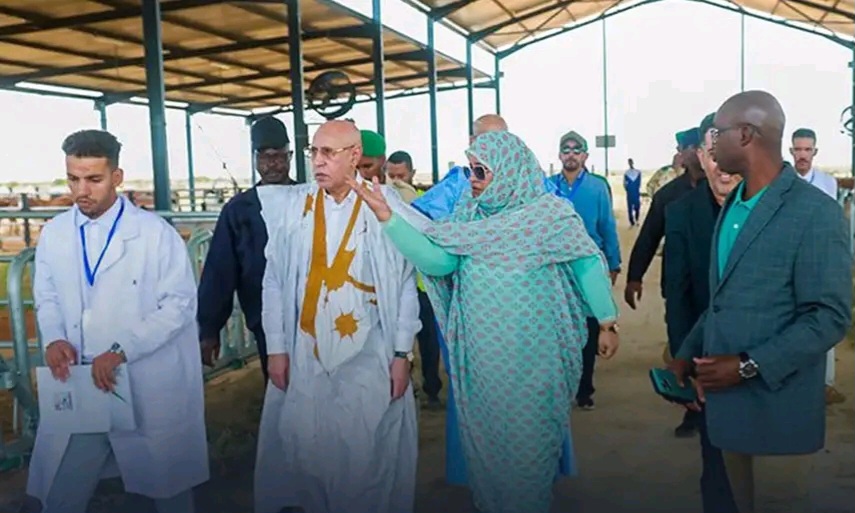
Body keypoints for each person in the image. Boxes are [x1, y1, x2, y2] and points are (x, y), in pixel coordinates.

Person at [351, 130, 620, 513]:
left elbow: (587, 262)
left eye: (481, 171)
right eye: (469, 170)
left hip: (536, 363)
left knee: (529, 456)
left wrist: (607, 322)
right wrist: (389, 219)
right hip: (483, 366)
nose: (472, 180)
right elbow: (440, 262)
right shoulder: (468, 216)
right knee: (490, 454)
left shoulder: (549, 217)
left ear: (509, 172)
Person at [670, 91, 851, 513]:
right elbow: (724, 298)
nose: (710, 144)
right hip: (728, 413)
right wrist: (686, 353)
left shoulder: (816, 213)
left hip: (779, 415)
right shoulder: (733, 206)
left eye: (717, 133)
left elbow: (828, 317)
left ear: (746, 135)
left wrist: (746, 365)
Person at [27, 129, 208, 513]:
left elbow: (177, 305)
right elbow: (47, 295)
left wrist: (121, 349)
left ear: (117, 177)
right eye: (73, 179)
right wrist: (54, 338)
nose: (82, 191)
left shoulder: (155, 234)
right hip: (81, 378)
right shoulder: (55, 234)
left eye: (94, 179)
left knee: (167, 486)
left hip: (144, 377)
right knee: (62, 487)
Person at [253, 120, 420, 513]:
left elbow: (404, 283)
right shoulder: (294, 206)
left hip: (369, 354)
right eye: (313, 152)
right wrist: (276, 348)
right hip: (306, 353)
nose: (317, 161)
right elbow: (273, 279)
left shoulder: (384, 206)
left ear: (355, 155)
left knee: (365, 457)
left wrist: (402, 354)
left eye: (328, 152)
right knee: (307, 453)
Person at [664, 113, 740, 513]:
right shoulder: (680, 212)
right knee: (718, 465)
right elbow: (677, 295)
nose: (722, 166)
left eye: (729, 153)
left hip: (764, 359)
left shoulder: (772, 210)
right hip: (707, 361)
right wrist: (685, 363)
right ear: (699, 156)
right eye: (713, 153)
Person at [197, 115, 294, 385]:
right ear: (255, 159)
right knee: (278, 385)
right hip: (263, 317)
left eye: (279, 156)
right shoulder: (239, 209)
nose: (272, 163)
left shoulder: (308, 198)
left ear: (290, 156)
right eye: (265, 156)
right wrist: (209, 328)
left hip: (312, 315)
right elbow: (220, 270)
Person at [548, 130, 621, 410]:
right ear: (559, 155)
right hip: (558, 270)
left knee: (590, 329)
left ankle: (585, 389)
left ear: (585, 155)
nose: (571, 155)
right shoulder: (548, 187)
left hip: (589, 268)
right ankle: (561, 387)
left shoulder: (597, 187)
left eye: (576, 150)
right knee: (558, 329)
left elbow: (607, 226)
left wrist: (613, 263)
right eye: (565, 150)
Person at [788, 127, 846, 405]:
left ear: (815, 152)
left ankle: (826, 384)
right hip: (790, 262)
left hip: (820, 262)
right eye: (798, 150)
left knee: (824, 319)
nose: (802, 155)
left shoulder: (827, 183)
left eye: (807, 150)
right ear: (791, 151)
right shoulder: (783, 182)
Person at [385, 150, 443, 408]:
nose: (396, 180)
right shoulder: (382, 199)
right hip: (397, 286)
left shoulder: (424, 202)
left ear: (412, 173)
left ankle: (432, 389)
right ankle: (405, 386)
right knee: (399, 341)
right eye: (392, 175)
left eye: (401, 175)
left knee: (428, 343)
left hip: (423, 287)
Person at [625, 129, 704, 312]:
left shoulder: (723, 190)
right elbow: (649, 236)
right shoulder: (669, 195)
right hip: (677, 286)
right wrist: (634, 277)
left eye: (684, 148)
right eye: (680, 149)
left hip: (716, 285)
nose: (680, 153)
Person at [624, 158, 642, 226]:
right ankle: (633, 220)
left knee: (633, 206)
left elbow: (625, 184)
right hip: (634, 191)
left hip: (632, 192)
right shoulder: (630, 173)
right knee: (633, 206)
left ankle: (634, 220)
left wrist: (627, 189)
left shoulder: (629, 173)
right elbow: (639, 183)